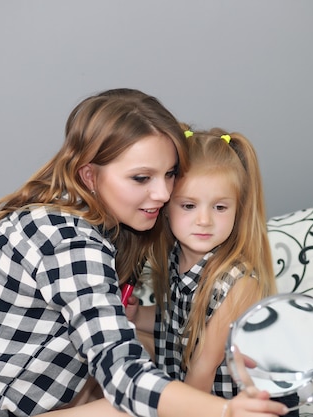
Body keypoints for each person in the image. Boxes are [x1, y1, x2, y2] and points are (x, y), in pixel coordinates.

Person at [0, 88, 287, 417]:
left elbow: (113, 341)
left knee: (146, 362)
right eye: (141, 178)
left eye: (169, 175)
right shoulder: (69, 239)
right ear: (89, 175)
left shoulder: (88, 223)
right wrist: (224, 412)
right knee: (135, 402)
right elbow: (124, 376)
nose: (163, 194)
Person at [127, 126, 297, 414]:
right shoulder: (174, 257)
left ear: (237, 210)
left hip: (239, 406)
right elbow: (175, 322)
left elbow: (204, 369)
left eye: (219, 207)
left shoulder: (240, 282)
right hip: (197, 392)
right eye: (189, 205)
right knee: (124, 349)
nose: (204, 220)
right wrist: (136, 314)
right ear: (166, 206)